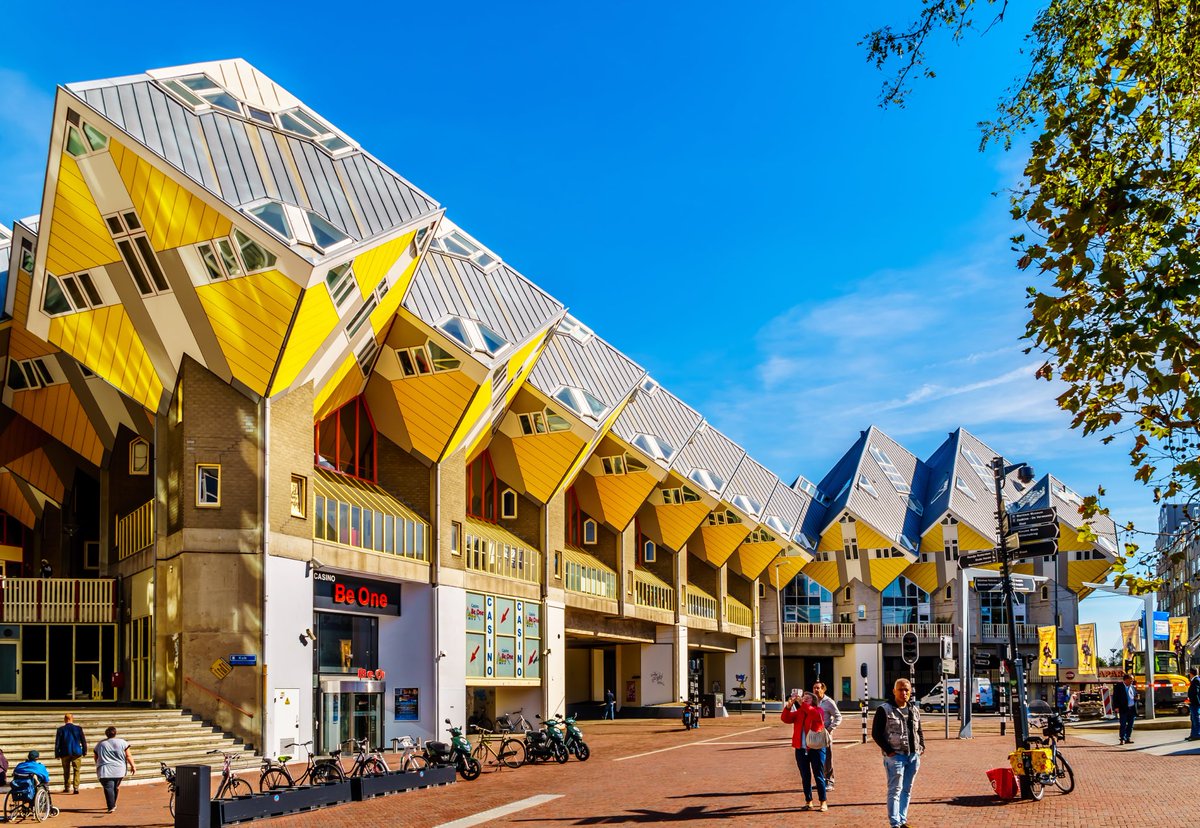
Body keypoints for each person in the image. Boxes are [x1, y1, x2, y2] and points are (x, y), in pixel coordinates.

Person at [872, 678, 924, 828]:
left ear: (910, 692)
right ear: (894, 691)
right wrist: (889, 751)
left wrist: (922, 746)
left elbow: (919, 730)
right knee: (895, 790)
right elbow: (876, 733)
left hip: (913, 756)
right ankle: (895, 823)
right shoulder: (884, 709)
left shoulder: (913, 709)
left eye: (907, 690)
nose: (904, 693)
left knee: (907, 789)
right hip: (896, 757)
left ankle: (902, 820)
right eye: (900, 689)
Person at [781, 690, 828, 812]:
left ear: (814, 701)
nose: (804, 699)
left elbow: (814, 715)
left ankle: (823, 802)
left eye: (808, 698)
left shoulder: (818, 710)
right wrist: (789, 706)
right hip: (801, 749)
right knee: (805, 776)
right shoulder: (799, 712)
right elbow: (785, 718)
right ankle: (808, 801)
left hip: (816, 748)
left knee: (819, 775)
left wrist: (803, 704)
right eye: (803, 698)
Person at [93, 726, 135, 814]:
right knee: (115, 787)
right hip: (119, 770)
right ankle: (113, 804)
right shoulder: (123, 742)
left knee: (109, 787)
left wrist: (98, 764)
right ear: (115, 733)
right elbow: (128, 756)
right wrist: (133, 766)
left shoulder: (100, 744)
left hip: (105, 770)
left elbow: (96, 757)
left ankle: (111, 806)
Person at [812, 681, 842, 788]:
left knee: (827, 758)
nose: (816, 690)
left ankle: (829, 781)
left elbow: (838, 717)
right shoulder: (812, 702)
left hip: (825, 733)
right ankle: (820, 781)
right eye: (814, 688)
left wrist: (829, 729)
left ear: (823, 689)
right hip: (814, 734)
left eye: (818, 688)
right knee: (817, 759)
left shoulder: (829, 702)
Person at [55, 713, 87, 794]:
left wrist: (57, 754)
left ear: (65, 719)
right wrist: (84, 751)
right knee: (77, 770)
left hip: (64, 753)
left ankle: (67, 787)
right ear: (72, 719)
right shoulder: (78, 729)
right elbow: (83, 741)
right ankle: (76, 788)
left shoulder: (60, 729)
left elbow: (57, 743)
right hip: (77, 752)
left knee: (66, 771)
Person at [1113, 672, 1138, 744]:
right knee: (1123, 724)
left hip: (1132, 709)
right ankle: (1122, 739)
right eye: (1131, 679)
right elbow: (1115, 697)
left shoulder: (1132, 687)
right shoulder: (1119, 687)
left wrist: (1136, 698)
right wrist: (1116, 707)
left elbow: (1135, 695)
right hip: (1123, 708)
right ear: (1126, 680)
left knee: (1130, 725)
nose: (1132, 681)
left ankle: (1128, 738)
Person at [1185, 667, 1200, 741]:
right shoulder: (1195, 680)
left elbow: (1195, 693)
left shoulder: (1196, 680)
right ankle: (1193, 734)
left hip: (1195, 704)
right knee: (1193, 719)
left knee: (1195, 719)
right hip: (1194, 703)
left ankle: (1196, 734)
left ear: (1191, 673)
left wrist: (1191, 701)